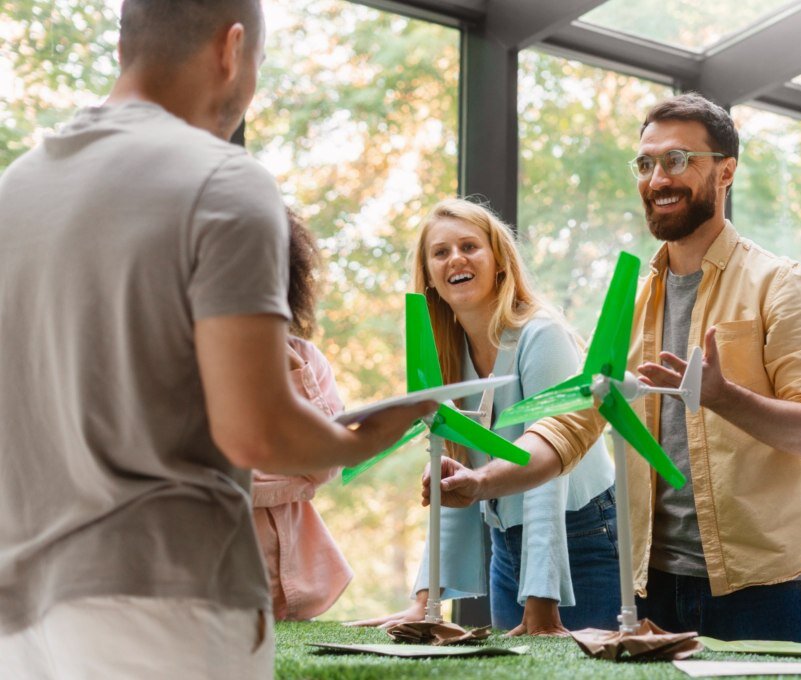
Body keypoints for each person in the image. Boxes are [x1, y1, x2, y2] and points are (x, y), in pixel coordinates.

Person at [0, 1, 433, 677]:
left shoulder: (14, 191)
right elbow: (257, 433)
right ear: (232, 50)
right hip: (166, 605)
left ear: (125, 47)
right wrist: (370, 435)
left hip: (20, 616)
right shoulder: (226, 182)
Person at [424, 94, 801, 642]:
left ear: (726, 171)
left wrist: (723, 396)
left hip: (764, 593)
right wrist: (481, 480)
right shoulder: (634, 299)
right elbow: (570, 425)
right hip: (651, 590)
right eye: (645, 164)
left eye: (677, 160)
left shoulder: (782, 286)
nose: (657, 178)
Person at [349, 198, 620, 634]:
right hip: (509, 546)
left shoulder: (541, 333)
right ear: (432, 278)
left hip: (581, 537)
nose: (456, 258)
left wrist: (542, 604)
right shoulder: (445, 355)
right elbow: (454, 478)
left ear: (498, 262)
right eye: (440, 252)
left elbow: (548, 472)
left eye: (470, 246)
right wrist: (426, 601)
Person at [251, 210, 354, 622]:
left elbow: (325, 465)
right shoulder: (184, 361)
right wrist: (290, 476)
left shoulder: (307, 359)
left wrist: (290, 364)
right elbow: (210, 478)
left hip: (296, 593)